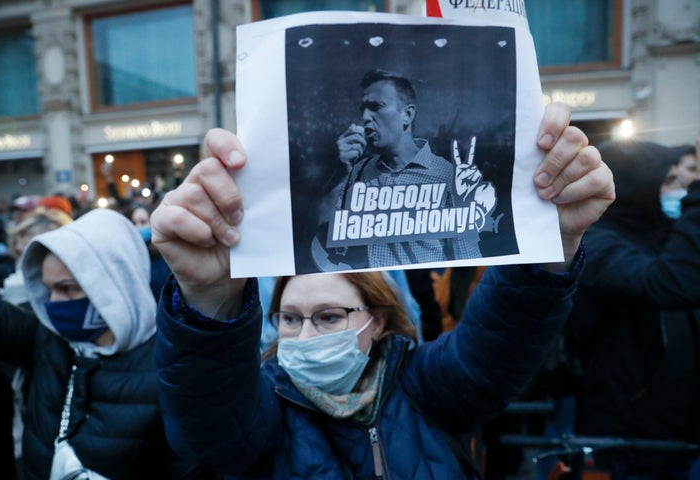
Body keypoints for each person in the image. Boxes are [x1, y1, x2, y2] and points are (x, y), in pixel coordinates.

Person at [150, 102, 615, 479]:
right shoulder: (264, 408)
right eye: (290, 319)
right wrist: (208, 299)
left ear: (378, 319)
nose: (305, 337)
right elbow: (209, 423)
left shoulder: (426, 386)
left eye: (329, 317)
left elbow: (502, 339)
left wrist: (547, 244)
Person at [0, 207, 210, 480]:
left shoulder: (174, 372)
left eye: (66, 288)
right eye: (48, 288)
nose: (52, 302)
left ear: (111, 284)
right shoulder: (50, 342)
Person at [556, 139, 700, 479]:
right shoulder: (597, 245)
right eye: (666, 181)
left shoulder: (660, 234)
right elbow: (667, 282)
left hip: (673, 435)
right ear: (636, 187)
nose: (678, 188)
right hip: (623, 442)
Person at [313, 68, 498, 270]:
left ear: (407, 115)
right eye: (363, 109)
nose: (365, 116)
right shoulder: (356, 171)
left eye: (376, 107)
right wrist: (341, 173)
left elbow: (469, 262)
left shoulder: (448, 177)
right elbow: (319, 233)